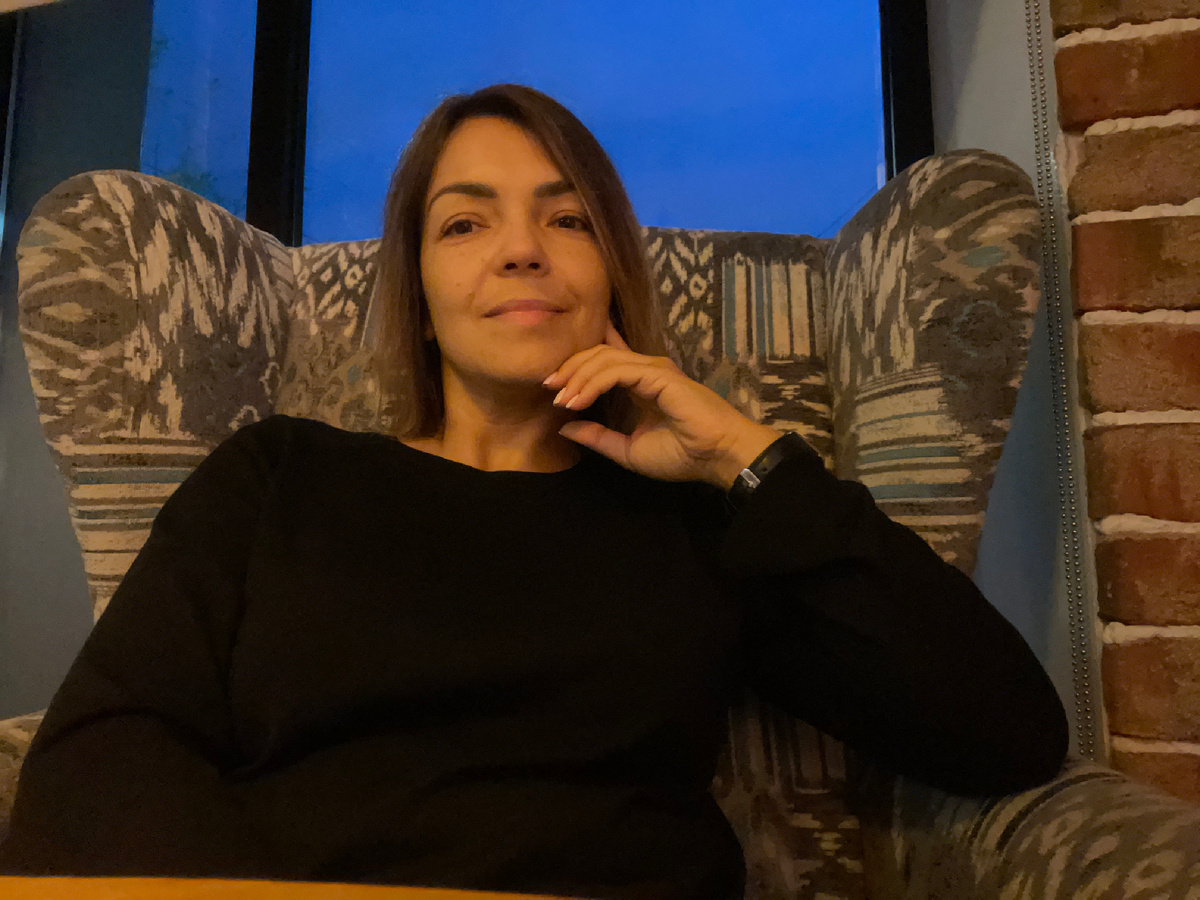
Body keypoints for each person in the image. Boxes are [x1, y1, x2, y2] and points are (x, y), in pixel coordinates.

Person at [0, 84, 1068, 899]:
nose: (520, 250)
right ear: (419, 293)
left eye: (567, 221)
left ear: (611, 277)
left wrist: (750, 458)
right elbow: (101, 756)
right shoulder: (280, 477)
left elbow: (1001, 730)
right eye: (465, 224)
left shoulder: (701, 518)